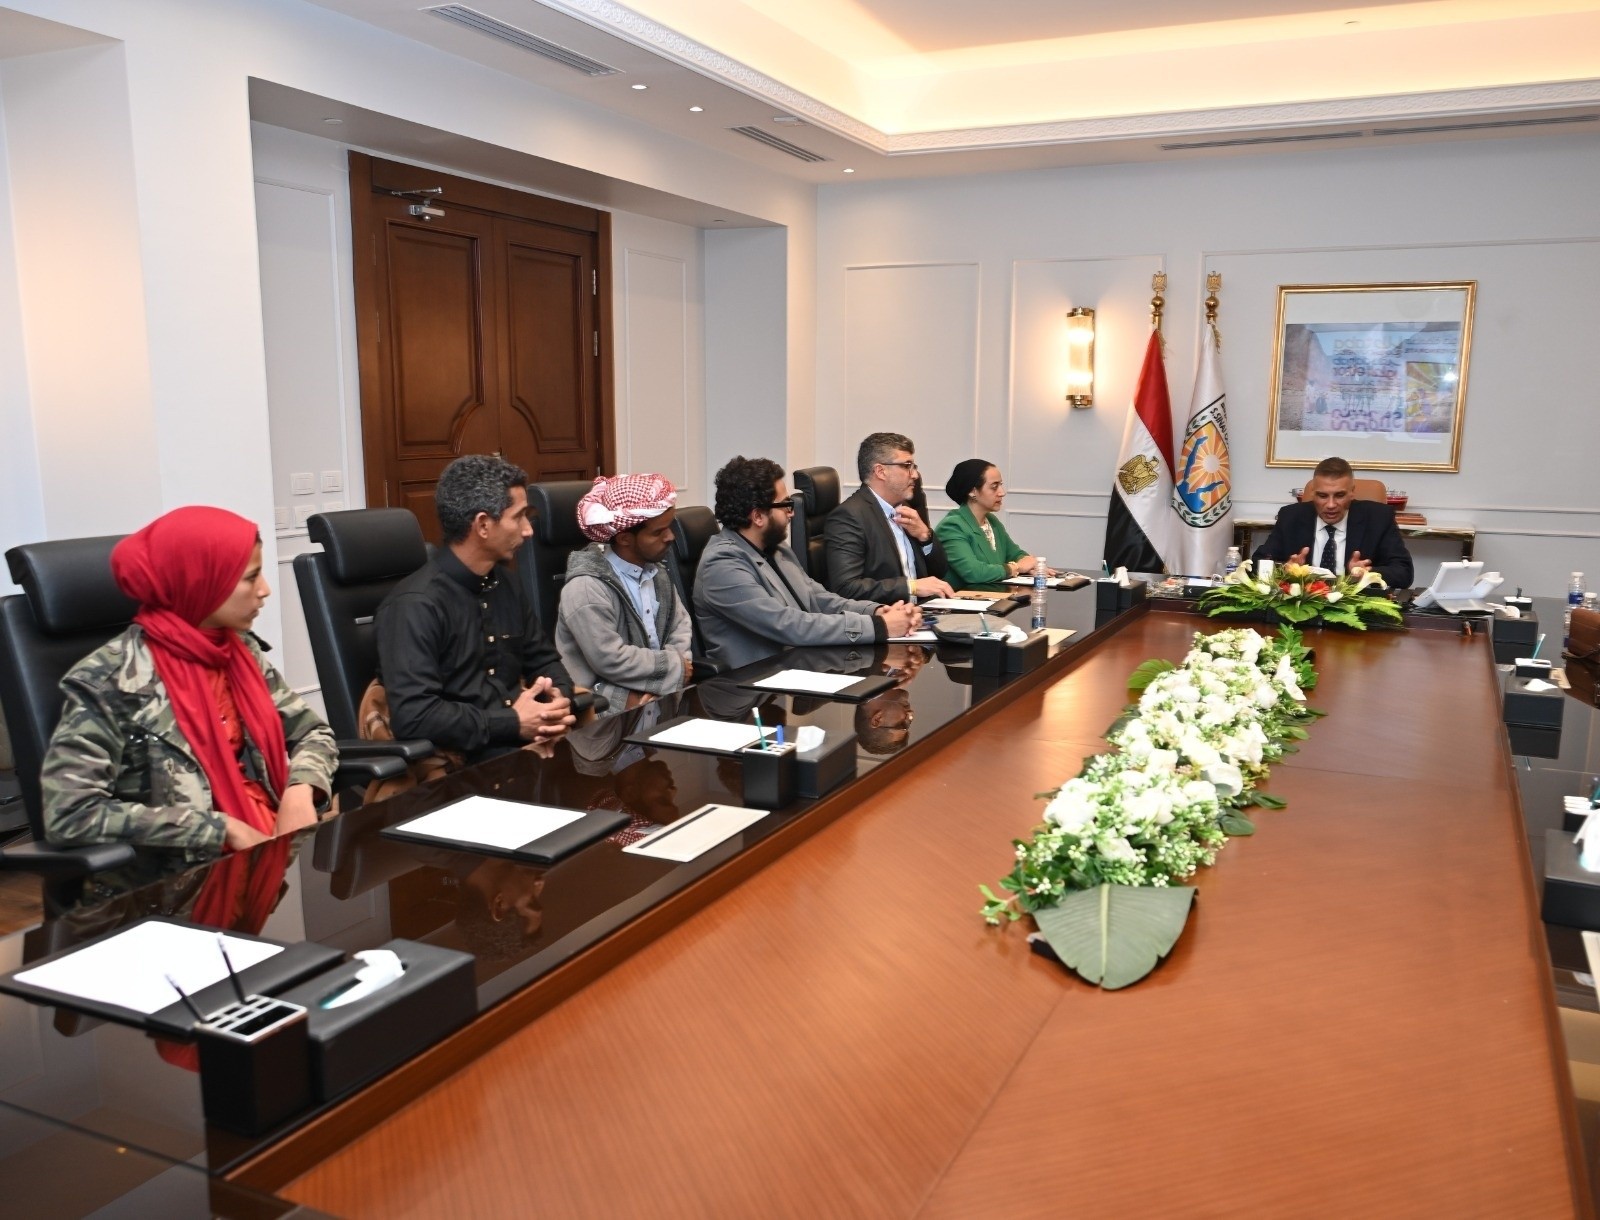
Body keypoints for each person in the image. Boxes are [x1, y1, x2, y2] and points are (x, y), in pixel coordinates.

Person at [40, 507, 337, 859]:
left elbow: (312, 732)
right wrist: (216, 828)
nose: (265, 590)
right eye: (251, 577)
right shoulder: (110, 681)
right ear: (201, 582)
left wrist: (301, 788)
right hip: (174, 875)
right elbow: (70, 814)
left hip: (266, 846)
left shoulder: (239, 651)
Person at [376, 454, 575, 762]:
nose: (528, 530)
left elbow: (545, 660)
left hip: (527, 749)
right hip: (462, 766)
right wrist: (512, 723)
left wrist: (557, 700)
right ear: (483, 525)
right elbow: (415, 715)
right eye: (518, 517)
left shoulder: (506, 583)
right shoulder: (415, 605)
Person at [694, 456, 922, 669]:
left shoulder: (775, 549)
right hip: (756, 684)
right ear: (758, 516)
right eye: (785, 505)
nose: (791, 513)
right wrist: (879, 627)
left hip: (801, 666)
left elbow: (818, 598)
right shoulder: (722, 565)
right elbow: (789, 625)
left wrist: (877, 611)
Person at [556, 473, 693, 712]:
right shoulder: (586, 587)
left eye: (670, 526)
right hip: (603, 708)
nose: (670, 537)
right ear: (624, 538)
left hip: (658, 698)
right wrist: (675, 668)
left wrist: (665, 680)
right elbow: (610, 658)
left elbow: (680, 627)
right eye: (658, 532)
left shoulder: (656, 572)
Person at [823, 432, 953, 603]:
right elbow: (847, 588)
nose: (915, 475)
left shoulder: (906, 508)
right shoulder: (848, 517)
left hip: (921, 610)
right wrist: (911, 587)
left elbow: (939, 571)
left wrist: (925, 536)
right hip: (884, 615)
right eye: (907, 466)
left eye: (913, 466)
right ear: (881, 471)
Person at [1252, 455, 1414, 589]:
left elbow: (1404, 572)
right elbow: (1256, 564)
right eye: (1322, 496)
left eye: (1339, 495)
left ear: (1352, 492)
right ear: (1313, 494)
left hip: (1356, 610)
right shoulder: (1291, 517)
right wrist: (1285, 569)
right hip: (1300, 607)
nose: (1330, 505)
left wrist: (1367, 573)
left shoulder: (1378, 518)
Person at [934, 459, 1046, 587]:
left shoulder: (992, 521)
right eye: (994, 487)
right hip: (965, 598)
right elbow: (974, 572)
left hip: (994, 595)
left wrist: (1033, 566)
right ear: (972, 491)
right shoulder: (952, 527)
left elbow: (1015, 554)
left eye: (1001, 485)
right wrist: (1017, 567)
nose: (1002, 492)